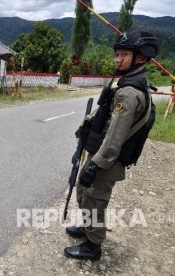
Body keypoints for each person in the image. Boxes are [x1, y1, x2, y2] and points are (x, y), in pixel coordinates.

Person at [64, 30, 159, 260]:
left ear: (141, 57)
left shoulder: (128, 94)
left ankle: (92, 246)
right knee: (84, 193)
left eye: (123, 54)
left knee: (95, 200)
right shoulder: (126, 85)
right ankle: (88, 229)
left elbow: (114, 138)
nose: (117, 59)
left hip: (107, 159)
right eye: (117, 54)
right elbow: (104, 119)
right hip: (100, 153)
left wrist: (95, 166)